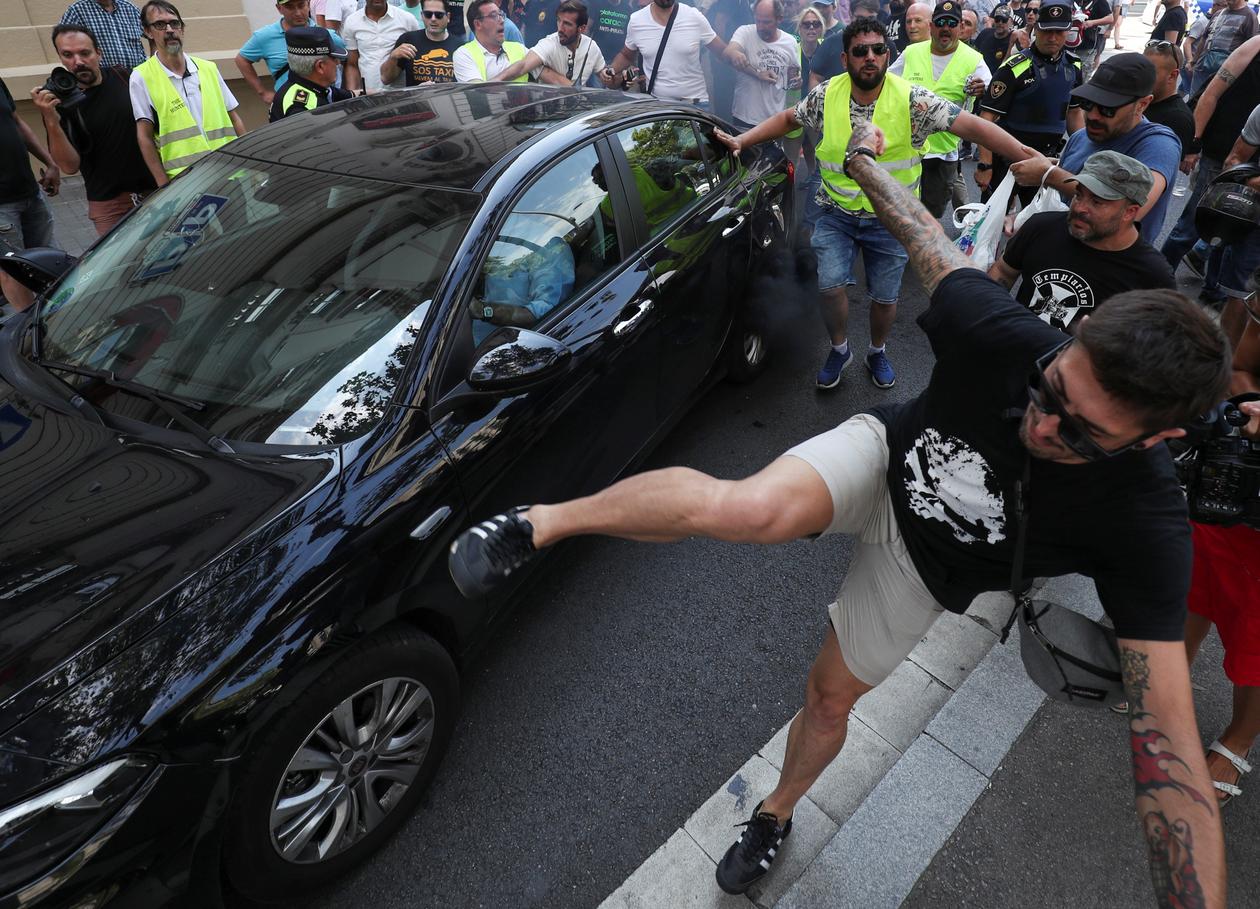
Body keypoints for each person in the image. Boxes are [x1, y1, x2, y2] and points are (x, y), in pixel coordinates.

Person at [446, 108, 1231, 909]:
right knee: (748, 508)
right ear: (1077, 336)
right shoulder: (1004, 329)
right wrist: (859, 159)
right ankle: (539, 523)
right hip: (886, 455)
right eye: (1052, 388)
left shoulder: (1147, 519)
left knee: (829, 696)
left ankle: (775, 812)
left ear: (1158, 437)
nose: (1043, 423)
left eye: (1081, 432)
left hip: (929, 565)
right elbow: (920, 226)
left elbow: (1166, 735)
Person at [715, 16, 1031, 390]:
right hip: (835, 213)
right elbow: (788, 117)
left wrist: (1026, 156)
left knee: (884, 296)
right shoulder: (826, 94)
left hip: (890, 220)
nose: (870, 57)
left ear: (887, 54)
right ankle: (840, 348)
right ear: (846, 59)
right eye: (860, 51)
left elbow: (973, 126)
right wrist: (741, 141)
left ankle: (877, 351)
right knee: (830, 287)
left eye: (878, 50)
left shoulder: (913, 99)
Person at [1184, 268, 1260, 809]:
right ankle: (1166, 672)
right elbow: (1238, 358)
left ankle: (1238, 739)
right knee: (1197, 573)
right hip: (1238, 470)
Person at [989, 151, 1175, 329]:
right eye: (1079, 195)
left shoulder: (1152, 274)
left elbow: (1154, 345)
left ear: (1130, 212)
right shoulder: (1041, 227)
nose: (1080, 208)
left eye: (1097, 202)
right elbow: (1004, 271)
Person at [1012, 52, 1180, 243]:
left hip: (1108, 267)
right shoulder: (1080, 137)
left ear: (1142, 104)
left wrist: (1049, 174)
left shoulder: (1158, 144)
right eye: (1088, 103)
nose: (1093, 115)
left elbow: (1133, 207)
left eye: (1108, 109)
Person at [1161, 37, 1260, 312]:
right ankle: (1157, 275)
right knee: (1197, 219)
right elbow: (1211, 94)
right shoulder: (1254, 47)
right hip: (1224, 151)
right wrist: (1194, 143)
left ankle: (1214, 287)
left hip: (1252, 160)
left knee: (1233, 226)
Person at [31, 24, 156, 237]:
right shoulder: (56, 104)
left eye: (85, 53)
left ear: (99, 53)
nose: (78, 62)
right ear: (60, 58)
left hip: (153, 191)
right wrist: (50, 119)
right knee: (120, 268)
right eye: (68, 55)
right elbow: (69, 166)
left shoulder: (124, 77)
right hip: (109, 205)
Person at [976, 3, 1083, 206]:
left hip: (1046, 160)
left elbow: (1075, 113)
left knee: (1036, 224)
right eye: (1046, 31)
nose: (1052, 37)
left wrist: (1084, 152)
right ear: (1036, 29)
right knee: (989, 221)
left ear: (1068, 31)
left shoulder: (1074, 65)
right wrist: (985, 164)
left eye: (1059, 31)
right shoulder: (1015, 67)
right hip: (1007, 159)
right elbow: (987, 118)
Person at [889, 0, 989, 217]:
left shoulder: (974, 60)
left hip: (942, 152)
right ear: (932, 26)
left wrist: (983, 89)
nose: (945, 28)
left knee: (932, 210)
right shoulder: (911, 52)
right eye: (940, 22)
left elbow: (992, 96)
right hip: (907, 146)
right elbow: (886, 83)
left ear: (960, 28)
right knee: (903, 208)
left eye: (951, 23)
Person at [131, 1, 246, 187]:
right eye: (160, 25)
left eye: (174, 23)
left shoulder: (208, 69)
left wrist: (249, 163)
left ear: (182, 29)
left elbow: (234, 119)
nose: (169, 30)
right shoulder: (141, 77)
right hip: (185, 182)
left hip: (227, 172)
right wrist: (162, 184)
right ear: (148, 32)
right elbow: (144, 137)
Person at [598, 0, 732, 106]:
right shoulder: (636, 20)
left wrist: (737, 54)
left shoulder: (694, 16)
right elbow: (626, 55)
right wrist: (611, 69)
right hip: (659, 107)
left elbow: (722, 51)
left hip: (695, 105)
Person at [0, 76, 59, 314]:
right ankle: (31, 330)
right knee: (11, 270)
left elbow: (16, 121)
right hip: (1, 205)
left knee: (49, 258)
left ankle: (61, 315)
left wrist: (49, 162)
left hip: (29, 191)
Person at [235, 0, 347, 105]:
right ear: (279, 8)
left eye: (301, 5)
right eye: (290, 7)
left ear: (308, 4)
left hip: (327, 102)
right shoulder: (265, 36)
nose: (297, 12)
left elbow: (348, 61)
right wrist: (263, 92)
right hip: (289, 104)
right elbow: (241, 60)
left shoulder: (327, 36)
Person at [724, 0, 802, 130]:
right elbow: (728, 52)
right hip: (745, 118)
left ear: (779, 19)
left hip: (775, 120)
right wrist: (735, 54)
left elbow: (792, 76)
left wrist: (797, 82)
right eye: (758, 20)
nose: (760, 26)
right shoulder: (745, 32)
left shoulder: (790, 42)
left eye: (766, 22)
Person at [490, 0, 607, 84]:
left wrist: (615, 79)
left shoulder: (592, 47)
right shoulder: (549, 43)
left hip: (578, 112)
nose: (560, 28)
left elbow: (606, 77)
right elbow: (523, 65)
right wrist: (495, 81)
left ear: (581, 28)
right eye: (559, 21)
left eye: (567, 24)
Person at [269, 26, 354, 120]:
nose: (338, 62)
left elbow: (346, 95)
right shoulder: (300, 110)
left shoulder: (309, 86)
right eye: (334, 58)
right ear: (320, 66)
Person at [340, 0, 420, 92]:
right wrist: (353, 95)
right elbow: (352, 64)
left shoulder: (407, 19)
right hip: (369, 95)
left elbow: (416, 59)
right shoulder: (352, 22)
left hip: (401, 93)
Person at [1143, 38, 1195, 167]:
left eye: (1150, 72)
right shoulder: (1141, 99)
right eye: (1140, 68)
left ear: (1172, 76)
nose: (1141, 75)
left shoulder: (1178, 119)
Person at [384, 0, 464, 84]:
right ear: (422, 16)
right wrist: (393, 58)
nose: (433, 19)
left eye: (439, 15)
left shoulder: (460, 47)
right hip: (415, 97)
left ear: (448, 17)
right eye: (428, 14)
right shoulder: (408, 40)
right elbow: (386, 79)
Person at [1188, 0, 1257, 96]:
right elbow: (1204, 38)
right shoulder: (1218, 14)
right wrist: (1193, 62)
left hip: (1224, 73)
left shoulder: (1250, 16)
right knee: (1192, 101)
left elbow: (1251, 48)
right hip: (1202, 68)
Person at [454, 0, 531, 80]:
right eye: (494, 16)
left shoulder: (519, 48)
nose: (502, 20)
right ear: (478, 24)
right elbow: (477, 91)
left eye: (501, 15)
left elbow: (541, 60)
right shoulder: (464, 54)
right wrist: (509, 73)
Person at [60, 0, 147, 68]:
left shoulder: (130, 8)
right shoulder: (76, 11)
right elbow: (62, 41)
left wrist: (154, 63)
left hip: (137, 75)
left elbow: (153, 35)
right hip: (103, 80)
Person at [1074, 0, 1113, 81]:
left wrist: (1092, 22)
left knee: (1082, 75)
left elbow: (1110, 18)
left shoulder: (1099, 2)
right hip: (1067, 46)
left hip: (1087, 45)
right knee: (1069, 72)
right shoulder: (1071, 1)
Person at [973, 2, 1014, 72]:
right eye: (997, 19)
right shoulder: (985, 33)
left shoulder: (1013, 39)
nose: (1000, 23)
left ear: (1011, 22)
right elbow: (973, 54)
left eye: (1004, 20)